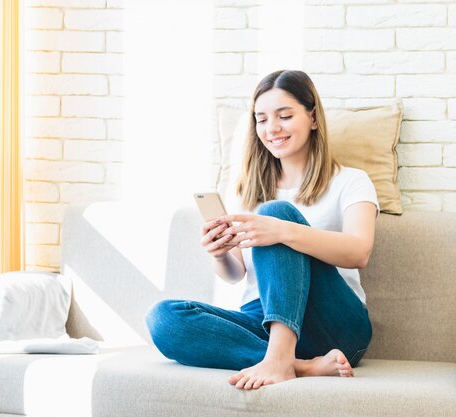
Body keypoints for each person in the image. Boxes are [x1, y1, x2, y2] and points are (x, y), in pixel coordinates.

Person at [145, 69, 378, 391]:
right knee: (164, 319)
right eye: (262, 119)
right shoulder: (245, 191)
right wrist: (220, 252)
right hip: (263, 317)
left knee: (275, 213)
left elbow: (359, 252)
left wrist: (282, 230)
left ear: (312, 118)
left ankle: (281, 356)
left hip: (333, 324)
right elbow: (234, 274)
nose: (273, 129)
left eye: (284, 116)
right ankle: (299, 365)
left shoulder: (351, 181)